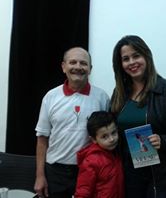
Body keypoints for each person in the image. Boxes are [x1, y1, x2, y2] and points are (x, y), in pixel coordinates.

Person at [110, 35, 166, 198]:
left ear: (146, 56)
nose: (132, 62)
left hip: (164, 173)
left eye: (136, 55)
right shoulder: (119, 93)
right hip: (130, 172)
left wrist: (164, 140)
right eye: (126, 59)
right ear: (120, 64)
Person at [34, 47, 110, 198]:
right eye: (72, 62)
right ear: (64, 67)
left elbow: (108, 137)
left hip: (89, 170)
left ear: (90, 69)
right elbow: (42, 139)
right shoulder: (50, 97)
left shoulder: (102, 98)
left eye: (83, 63)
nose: (78, 67)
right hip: (55, 172)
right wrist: (40, 176)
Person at [74, 111, 124, 198]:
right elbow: (83, 191)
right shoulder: (91, 161)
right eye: (104, 136)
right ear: (93, 139)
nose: (112, 139)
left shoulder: (117, 153)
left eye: (114, 133)